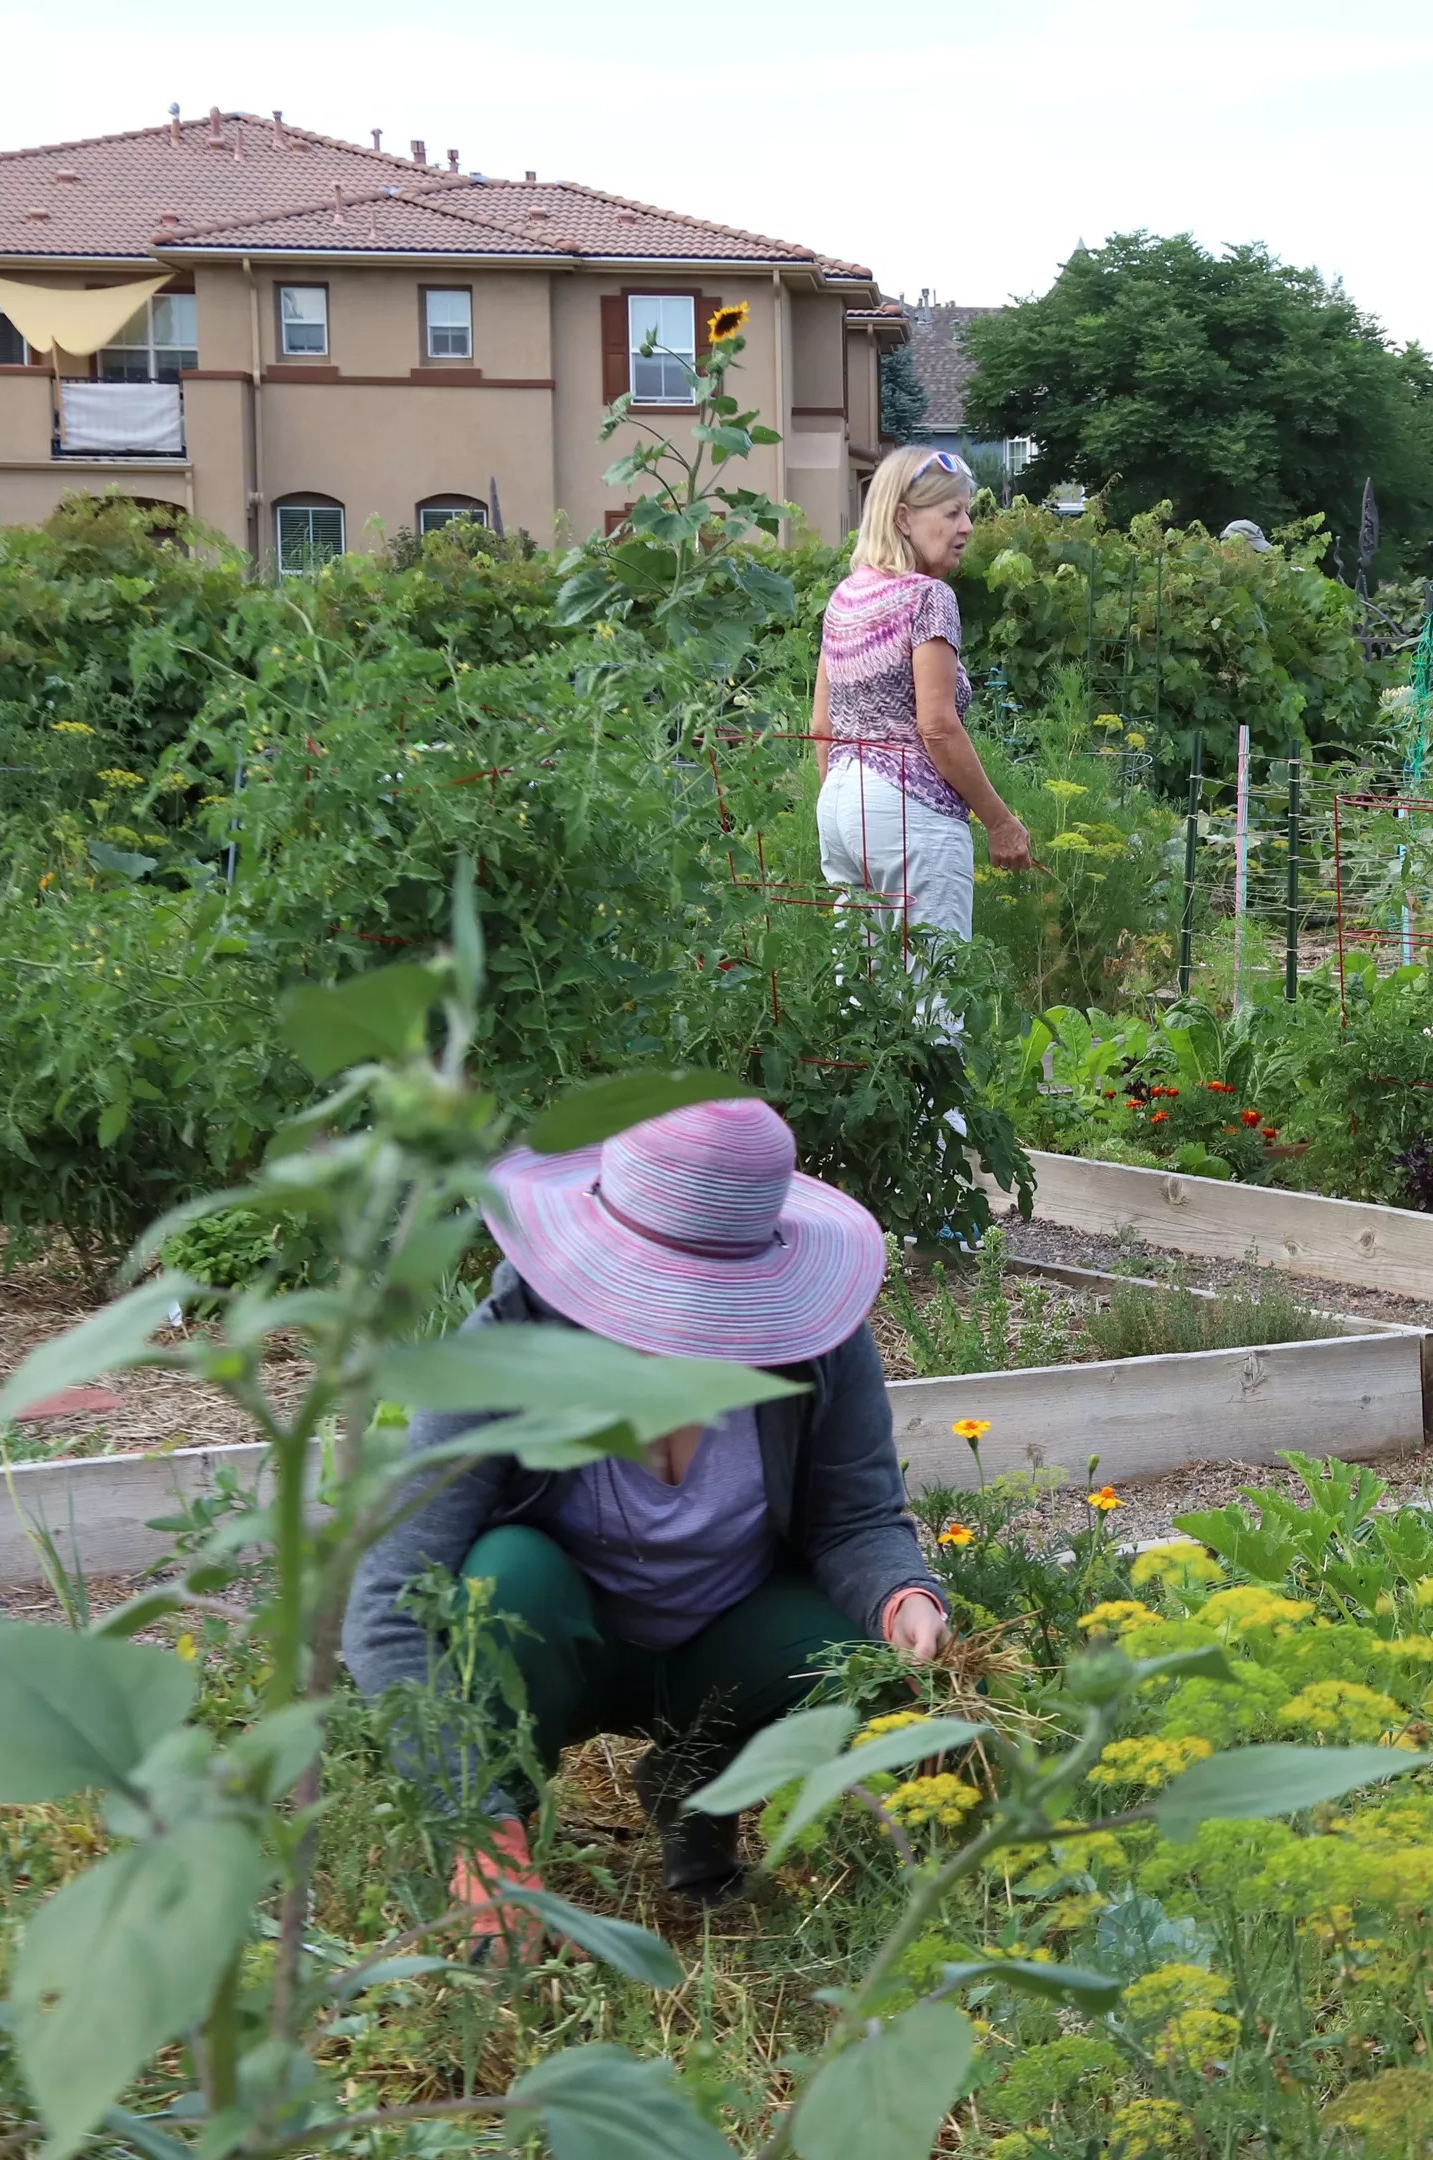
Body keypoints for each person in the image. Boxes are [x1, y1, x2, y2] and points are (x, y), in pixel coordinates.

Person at [342, 1097, 951, 1925]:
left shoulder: (819, 1349)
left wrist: (902, 1594)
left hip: (725, 1645)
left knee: (857, 1653)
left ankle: (698, 1783)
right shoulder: (503, 1357)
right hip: (565, 1643)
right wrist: (470, 1811)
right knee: (504, 1575)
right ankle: (504, 1849)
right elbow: (387, 1598)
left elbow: (854, 1520)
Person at [814, 444, 1032, 945]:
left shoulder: (845, 597)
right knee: (934, 994)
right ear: (903, 518)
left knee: (862, 992)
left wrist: (845, 801)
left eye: (967, 512)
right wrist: (1000, 823)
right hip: (912, 815)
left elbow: (822, 728)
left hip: (842, 808)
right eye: (952, 512)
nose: (967, 526)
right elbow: (936, 727)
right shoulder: (927, 597)